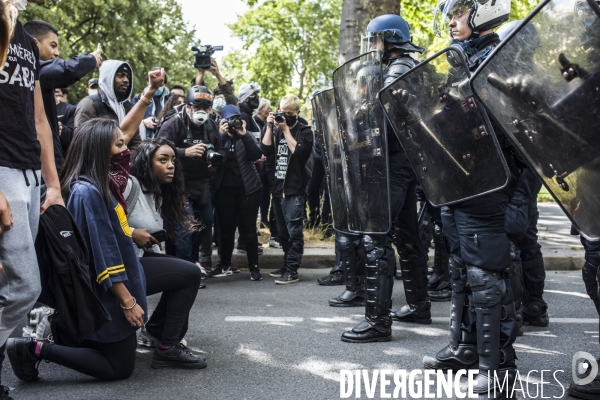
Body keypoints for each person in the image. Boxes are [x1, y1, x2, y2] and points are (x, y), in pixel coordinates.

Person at [6, 118, 206, 385]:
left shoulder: (100, 187)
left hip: (115, 285)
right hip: (107, 293)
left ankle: (58, 327)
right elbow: (103, 254)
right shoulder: (89, 192)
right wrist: (127, 301)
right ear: (100, 150)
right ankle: (32, 348)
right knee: (118, 367)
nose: (126, 152)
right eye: (119, 145)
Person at [423, 1, 519, 397]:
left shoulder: (498, 60)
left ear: (484, 13)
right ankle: (466, 348)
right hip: (457, 183)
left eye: (460, 13)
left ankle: (498, 366)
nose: (451, 21)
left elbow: (501, 124)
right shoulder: (461, 62)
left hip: (486, 185)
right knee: (461, 268)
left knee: (486, 275)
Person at [339, 15, 430, 344]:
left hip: (392, 164)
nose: (373, 47)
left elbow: (385, 115)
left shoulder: (398, 69)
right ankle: (419, 304)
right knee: (406, 235)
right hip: (401, 163)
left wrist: (362, 111)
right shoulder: (403, 66)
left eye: (376, 41)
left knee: (376, 238)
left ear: (390, 40)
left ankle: (377, 322)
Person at [0, 1, 64, 397]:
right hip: (3, 171)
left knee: (16, 282)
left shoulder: (24, 37)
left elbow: (40, 118)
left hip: (30, 174)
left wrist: (52, 183)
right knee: (25, 285)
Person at [156, 86, 222, 269]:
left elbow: (220, 148)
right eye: (196, 107)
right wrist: (185, 152)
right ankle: (185, 269)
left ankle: (190, 262)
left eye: (206, 108)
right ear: (188, 105)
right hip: (178, 184)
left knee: (206, 222)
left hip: (202, 183)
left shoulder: (210, 125)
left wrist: (214, 161)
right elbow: (156, 150)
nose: (201, 112)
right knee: (185, 228)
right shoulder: (174, 123)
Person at [23, 19, 101, 173]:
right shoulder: (32, 69)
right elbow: (64, 70)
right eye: (52, 45)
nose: (57, 53)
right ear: (35, 43)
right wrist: (91, 59)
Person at [261, 94, 313, 284]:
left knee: (294, 232)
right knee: (282, 233)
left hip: (294, 190)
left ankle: (292, 270)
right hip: (277, 189)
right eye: (282, 112)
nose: (284, 116)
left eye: (289, 113)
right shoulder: (274, 128)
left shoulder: (305, 131)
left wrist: (285, 130)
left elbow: (299, 152)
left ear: (298, 113)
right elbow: (264, 150)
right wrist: (269, 126)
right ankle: (286, 264)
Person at [210, 105, 264, 280]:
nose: (233, 123)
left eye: (236, 119)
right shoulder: (219, 137)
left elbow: (256, 154)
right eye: (229, 120)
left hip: (248, 189)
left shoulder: (244, 136)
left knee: (248, 230)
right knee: (225, 230)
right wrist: (221, 135)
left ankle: (254, 267)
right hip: (224, 190)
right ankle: (224, 264)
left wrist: (244, 134)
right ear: (223, 121)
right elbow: (215, 158)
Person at [75, 60, 165, 152]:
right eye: (120, 76)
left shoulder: (128, 107)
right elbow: (81, 141)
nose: (126, 80)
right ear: (108, 78)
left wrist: (127, 161)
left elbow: (135, 142)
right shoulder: (89, 103)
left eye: (128, 76)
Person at [132, 67, 171, 139]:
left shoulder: (171, 99)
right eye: (154, 82)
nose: (157, 86)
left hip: (165, 140)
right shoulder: (138, 98)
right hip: (143, 140)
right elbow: (130, 121)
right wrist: (143, 122)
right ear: (148, 82)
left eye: (160, 83)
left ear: (164, 83)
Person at [55, 88, 76, 154]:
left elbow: (70, 137)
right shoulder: (33, 108)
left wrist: (55, 122)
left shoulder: (70, 109)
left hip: (62, 156)